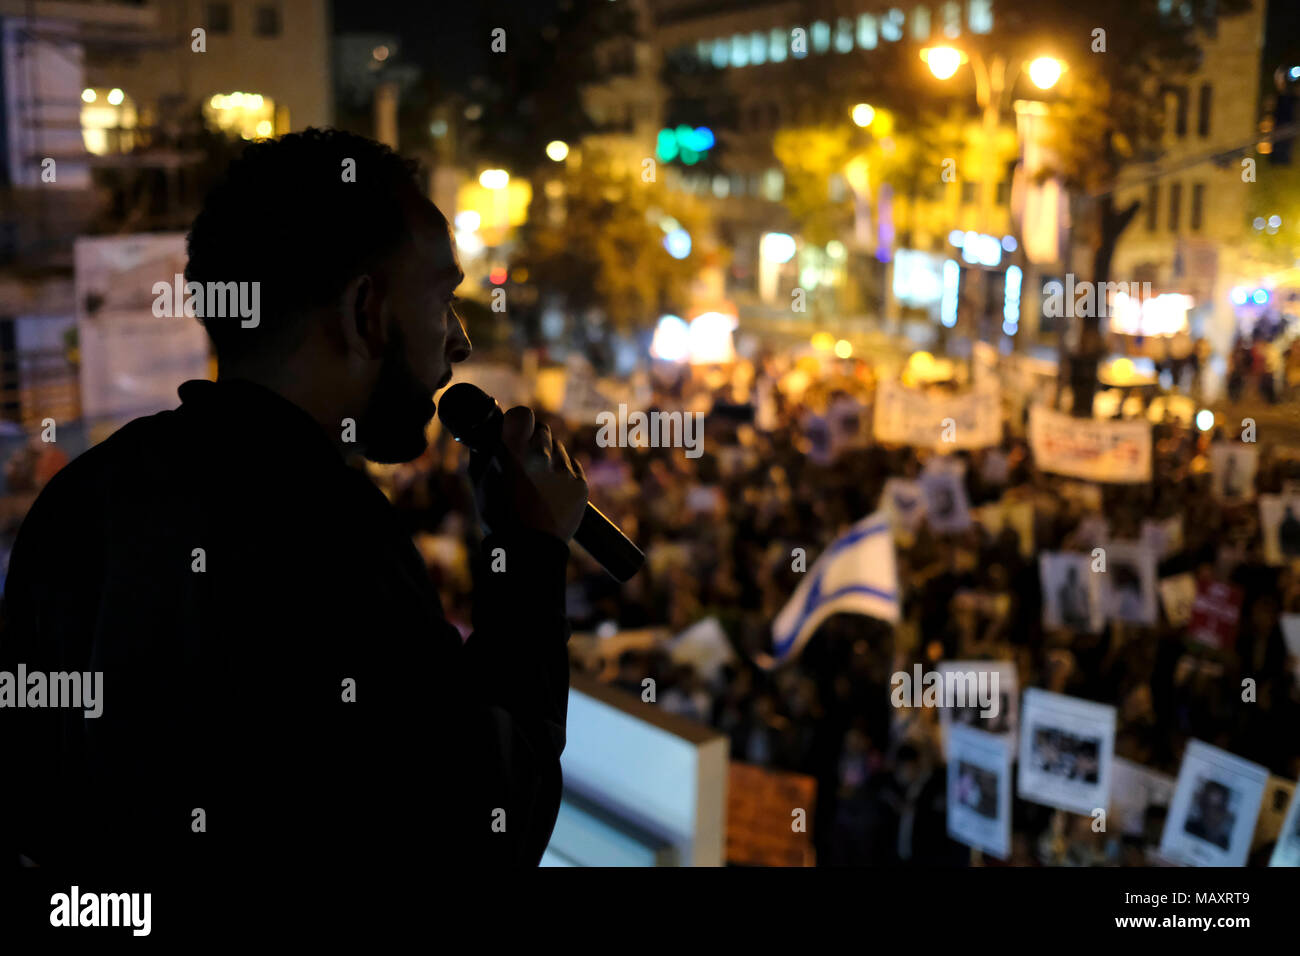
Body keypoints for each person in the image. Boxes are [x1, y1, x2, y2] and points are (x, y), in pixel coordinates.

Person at [0, 129, 588, 876]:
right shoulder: (330, 538)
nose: (460, 342)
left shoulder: (83, 498)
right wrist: (530, 554)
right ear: (366, 311)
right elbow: (490, 823)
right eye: (444, 300)